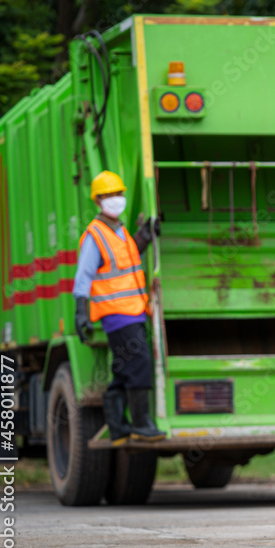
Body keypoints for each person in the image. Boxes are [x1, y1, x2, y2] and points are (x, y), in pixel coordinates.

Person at [73, 170, 165, 445]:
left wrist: (145, 235)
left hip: (133, 310)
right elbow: (83, 275)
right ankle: (141, 424)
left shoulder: (120, 231)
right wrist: (81, 311)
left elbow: (130, 257)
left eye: (118, 194)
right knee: (139, 363)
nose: (116, 199)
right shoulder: (95, 235)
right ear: (98, 201)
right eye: (109, 195)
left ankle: (118, 428)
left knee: (124, 368)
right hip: (117, 313)